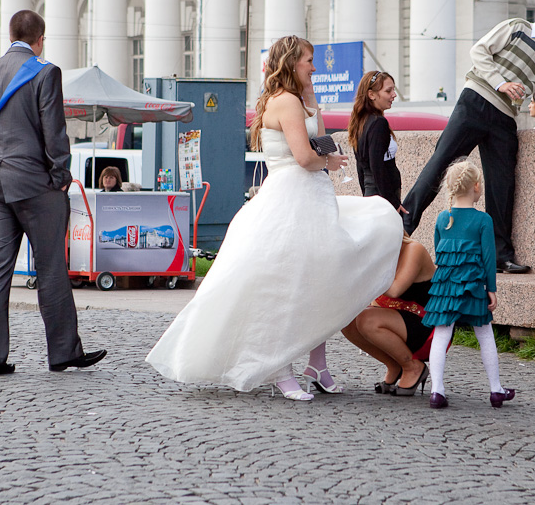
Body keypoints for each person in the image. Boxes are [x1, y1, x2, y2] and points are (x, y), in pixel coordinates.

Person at [146, 36, 403, 400]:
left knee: (321, 280)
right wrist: (327, 161)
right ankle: (280, 367)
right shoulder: (285, 102)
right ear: (292, 62)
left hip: (310, 198)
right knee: (287, 286)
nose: (314, 67)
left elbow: (318, 133)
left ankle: (318, 362)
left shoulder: (293, 100)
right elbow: (304, 157)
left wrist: (311, 95)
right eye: (309, 61)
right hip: (294, 198)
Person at [0, 9, 106, 376]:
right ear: (40, 39)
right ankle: (62, 353)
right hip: (36, 184)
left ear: (9, 35)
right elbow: (54, 131)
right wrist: (60, 174)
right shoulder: (45, 72)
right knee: (51, 268)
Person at [402, 0, 535, 274]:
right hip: (476, 100)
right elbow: (479, 51)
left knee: (502, 186)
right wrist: (501, 83)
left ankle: (500, 257)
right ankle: (402, 227)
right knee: (440, 163)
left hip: (505, 118)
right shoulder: (517, 27)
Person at [422, 159, 515, 409]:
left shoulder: (442, 218)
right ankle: (496, 390)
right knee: (484, 333)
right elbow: (488, 258)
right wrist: (491, 289)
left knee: (441, 333)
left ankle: (437, 391)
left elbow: (439, 253)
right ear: (476, 186)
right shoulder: (483, 220)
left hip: (446, 285)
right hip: (473, 285)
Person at [341, 234, 437, 396]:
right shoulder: (383, 252)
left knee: (367, 320)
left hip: (427, 325)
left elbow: (394, 290)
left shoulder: (414, 249)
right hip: (400, 320)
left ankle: (413, 367)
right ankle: (395, 364)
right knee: (346, 320)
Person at [347, 70, 405, 213]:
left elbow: (361, 167)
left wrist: (366, 197)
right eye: (388, 91)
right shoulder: (379, 123)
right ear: (371, 94)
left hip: (372, 194)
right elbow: (377, 166)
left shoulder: (361, 123)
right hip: (383, 198)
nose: (394, 95)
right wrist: (393, 203)